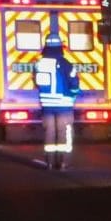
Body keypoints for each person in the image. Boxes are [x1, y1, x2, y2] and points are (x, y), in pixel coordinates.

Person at [35, 34, 78, 170]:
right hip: (64, 105)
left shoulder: (39, 64)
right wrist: (74, 94)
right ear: (60, 47)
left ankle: (49, 162)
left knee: (49, 134)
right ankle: (63, 162)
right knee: (64, 134)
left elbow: (37, 83)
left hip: (47, 106)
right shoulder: (66, 64)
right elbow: (74, 83)